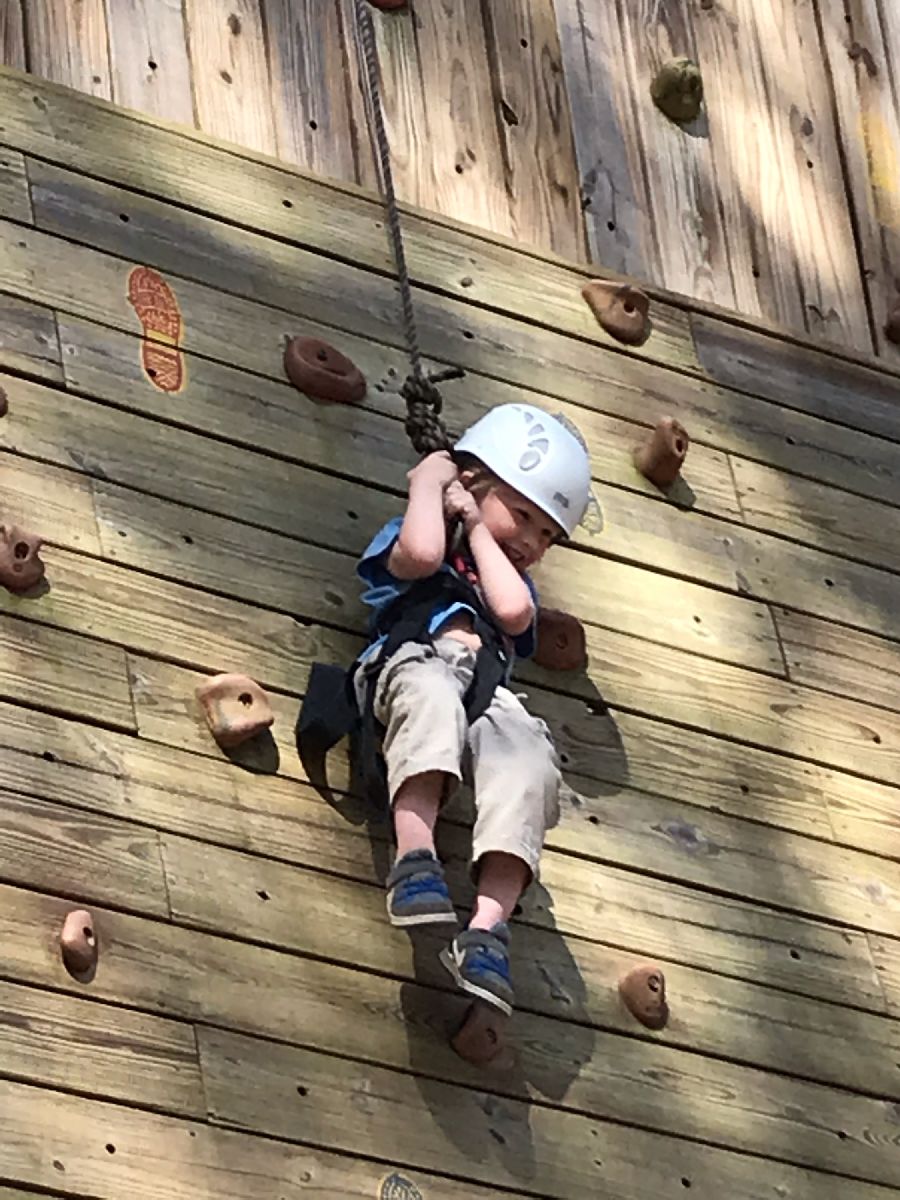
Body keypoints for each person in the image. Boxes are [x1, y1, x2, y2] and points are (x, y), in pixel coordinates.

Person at [354, 403, 593, 1016]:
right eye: (524, 517)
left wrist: (485, 531)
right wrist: (432, 484)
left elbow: (513, 615)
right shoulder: (412, 535)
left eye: (547, 535)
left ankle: (487, 929)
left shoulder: (504, 575)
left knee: (529, 763)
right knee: (431, 696)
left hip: (487, 695)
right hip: (418, 662)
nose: (534, 544)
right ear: (475, 482)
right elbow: (424, 555)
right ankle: (416, 859)